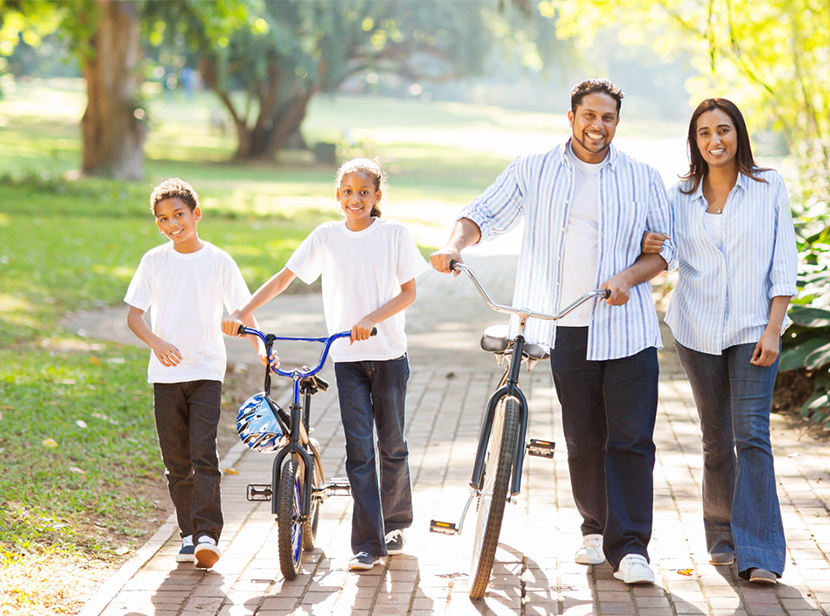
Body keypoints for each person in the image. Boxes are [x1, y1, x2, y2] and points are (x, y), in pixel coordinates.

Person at [430, 78, 675, 585]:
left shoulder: (642, 176)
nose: (597, 125)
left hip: (627, 327)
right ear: (571, 116)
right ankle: (594, 530)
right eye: (589, 115)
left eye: (607, 117)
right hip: (565, 326)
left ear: (617, 123)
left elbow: (666, 250)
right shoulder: (534, 168)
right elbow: (483, 213)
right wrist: (455, 246)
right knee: (584, 438)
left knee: (630, 439)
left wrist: (629, 277)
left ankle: (631, 549)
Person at [222, 158, 428, 571]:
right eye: (348, 192)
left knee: (392, 444)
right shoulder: (326, 236)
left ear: (377, 197)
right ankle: (367, 544)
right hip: (347, 359)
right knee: (358, 451)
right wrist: (243, 311)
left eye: (364, 192)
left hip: (387, 356)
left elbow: (408, 293)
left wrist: (372, 319)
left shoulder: (393, 234)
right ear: (338, 195)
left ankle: (396, 522)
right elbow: (285, 277)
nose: (356, 200)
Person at [642, 98, 798, 585]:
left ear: (739, 135)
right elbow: (665, 249)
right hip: (697, 329)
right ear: (695, 140)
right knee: (715, 441)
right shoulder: (679, 194)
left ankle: (762, 554)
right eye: (705, 132)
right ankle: (722, 538)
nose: (715, 140)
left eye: (724, 130)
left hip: (755, 329)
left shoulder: (768, 186)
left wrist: (774, 327)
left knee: (751, 436)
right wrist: (650, 246)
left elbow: (785, 259)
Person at [125, 177, 262, 569]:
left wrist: (261, 349)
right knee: (176, 461)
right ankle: (187, 533)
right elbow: (134, 316)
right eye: (164, 219)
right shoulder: (154, 261)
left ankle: (207, 533)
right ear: (158, 224)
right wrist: (157, 343)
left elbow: (243, 310)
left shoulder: (219, 261)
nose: (172, 224)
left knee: (204, 453)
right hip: (165, 376)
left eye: (179, 215)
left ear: (196, 214)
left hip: (205, 370)